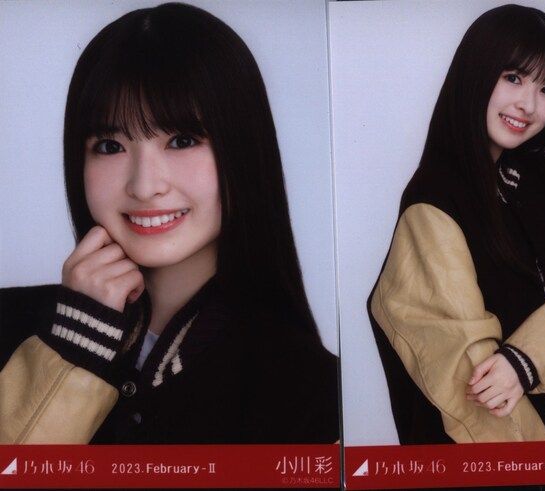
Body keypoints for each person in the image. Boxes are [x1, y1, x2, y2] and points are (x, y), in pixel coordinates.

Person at [0, 3, 338, 444]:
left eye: (182, 140)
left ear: (242, 149)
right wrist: (72, 350)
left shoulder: (309, 388)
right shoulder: (8, 323)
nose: (144, 186)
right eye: (110, 146)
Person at [367, 4, 545, 444]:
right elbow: (471, 382)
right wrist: (540, 467)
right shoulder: (433, 205)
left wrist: (523, 361)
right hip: (511, 457)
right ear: (475, 73)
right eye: (513, 77)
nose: (528, 104)